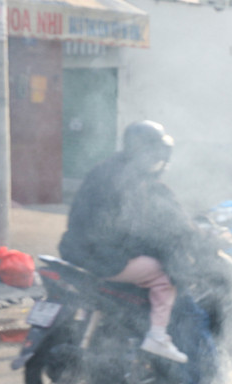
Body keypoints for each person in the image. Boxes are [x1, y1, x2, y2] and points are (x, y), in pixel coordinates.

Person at [58, 119, 191, 364]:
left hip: (75, 251)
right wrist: (165, 247)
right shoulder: (133, 179)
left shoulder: (106, 168)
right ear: (145, 149)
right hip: (103, 258)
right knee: (165, 275)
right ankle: (157, 337)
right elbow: (135, 228)